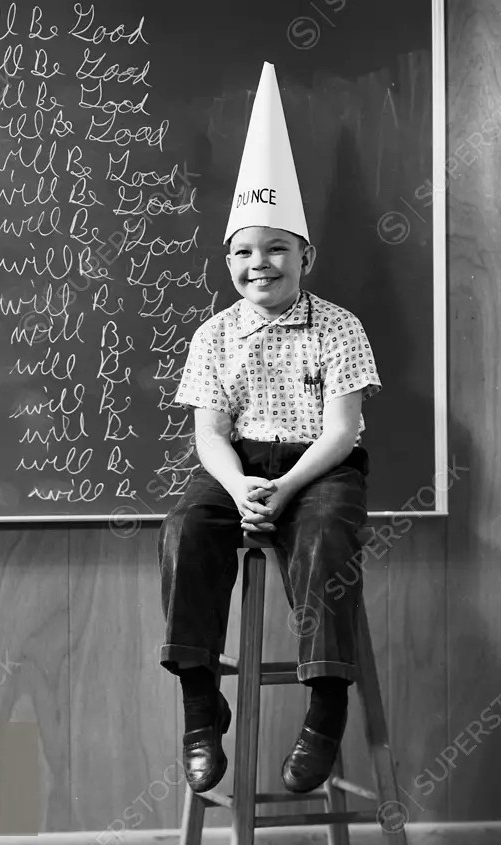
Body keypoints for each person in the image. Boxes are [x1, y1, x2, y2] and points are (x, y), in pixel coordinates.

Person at [158, 62, 381, 795]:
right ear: (227, 261)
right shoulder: (214, 335)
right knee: (186, 528)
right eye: (245, 251)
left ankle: (325, 708)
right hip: (237, 466)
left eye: (278, 248)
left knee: (324, 538)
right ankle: (200, 706)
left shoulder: (339, 327)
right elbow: (209, 434)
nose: (262, 263)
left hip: (319, 468)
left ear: (306, 256)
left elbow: (342, 431)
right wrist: (239, 488)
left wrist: (283, 490)